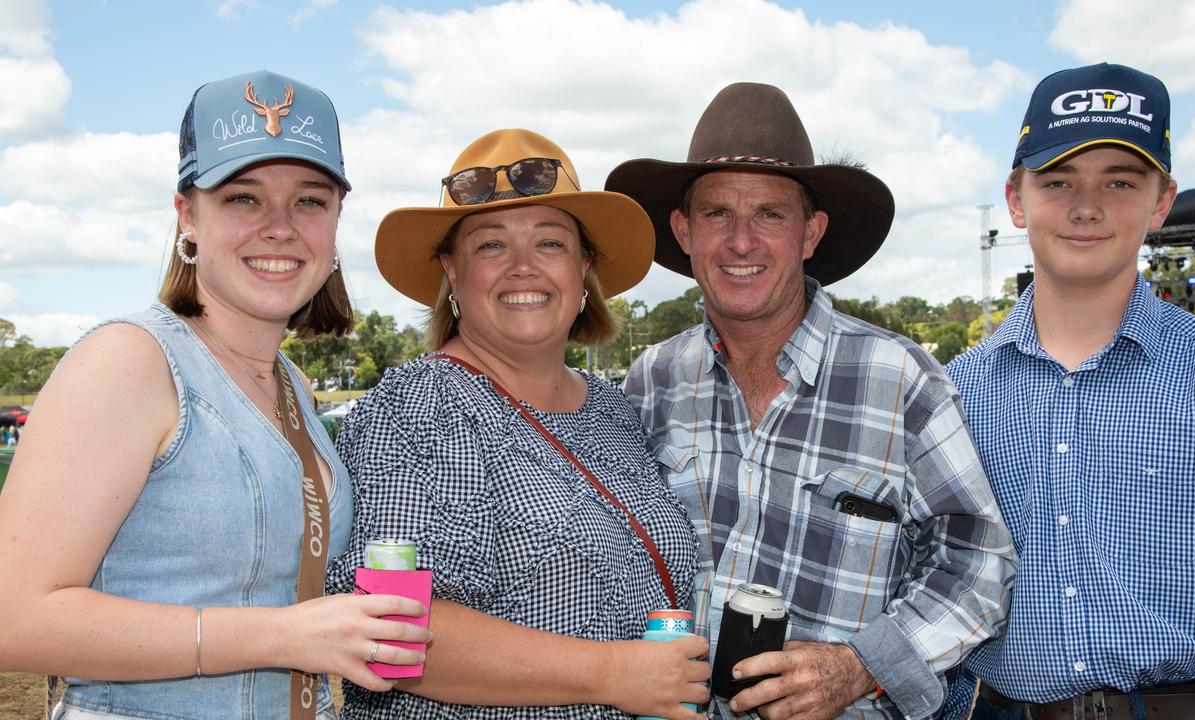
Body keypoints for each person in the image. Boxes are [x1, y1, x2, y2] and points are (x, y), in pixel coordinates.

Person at [0, 70, 429, 719]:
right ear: (188, 217)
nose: (280, 227)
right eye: (243, 199)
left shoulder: (292, 386)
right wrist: (285, 636)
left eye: (310, 201)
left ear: (336, 222)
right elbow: (14, 619)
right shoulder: (128, 361)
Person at [606, 82, 1017, 720]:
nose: (741, 242)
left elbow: (976, 559)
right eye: (717, 213)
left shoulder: (901, 380)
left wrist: (861, 667)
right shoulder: (650, 382)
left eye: (769, 213)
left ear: (810, 232)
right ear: (684, 231)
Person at [328, 128, 708, 719]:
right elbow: (388, 631)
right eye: (491, 246)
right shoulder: (415, 409)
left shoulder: (613, 410)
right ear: (451, 272)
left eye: (550, 243)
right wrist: (610, 674)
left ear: (584, 270)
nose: (524, 268)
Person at [941, 62, 1195, 720]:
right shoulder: (956, 393)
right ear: (1016, 198)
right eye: (1058, 180)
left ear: (1162, 200)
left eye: (1119, 181)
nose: (1087, 206)